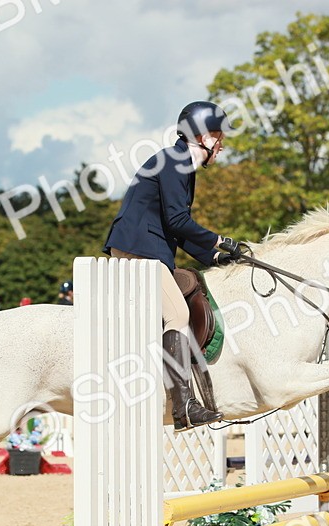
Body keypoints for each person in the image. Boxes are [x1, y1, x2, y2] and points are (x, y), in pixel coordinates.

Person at [102, 100, 244, 430]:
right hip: (139, 249)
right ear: (202, 136)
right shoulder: (175, 161)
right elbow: (179, 221)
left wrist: (214, 258)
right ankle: (183, 407)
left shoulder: (181, 163)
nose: (222, 145)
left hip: (148, 246)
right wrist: (219, 240)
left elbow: (176, 227)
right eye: (218, 137)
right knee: (178, 314)